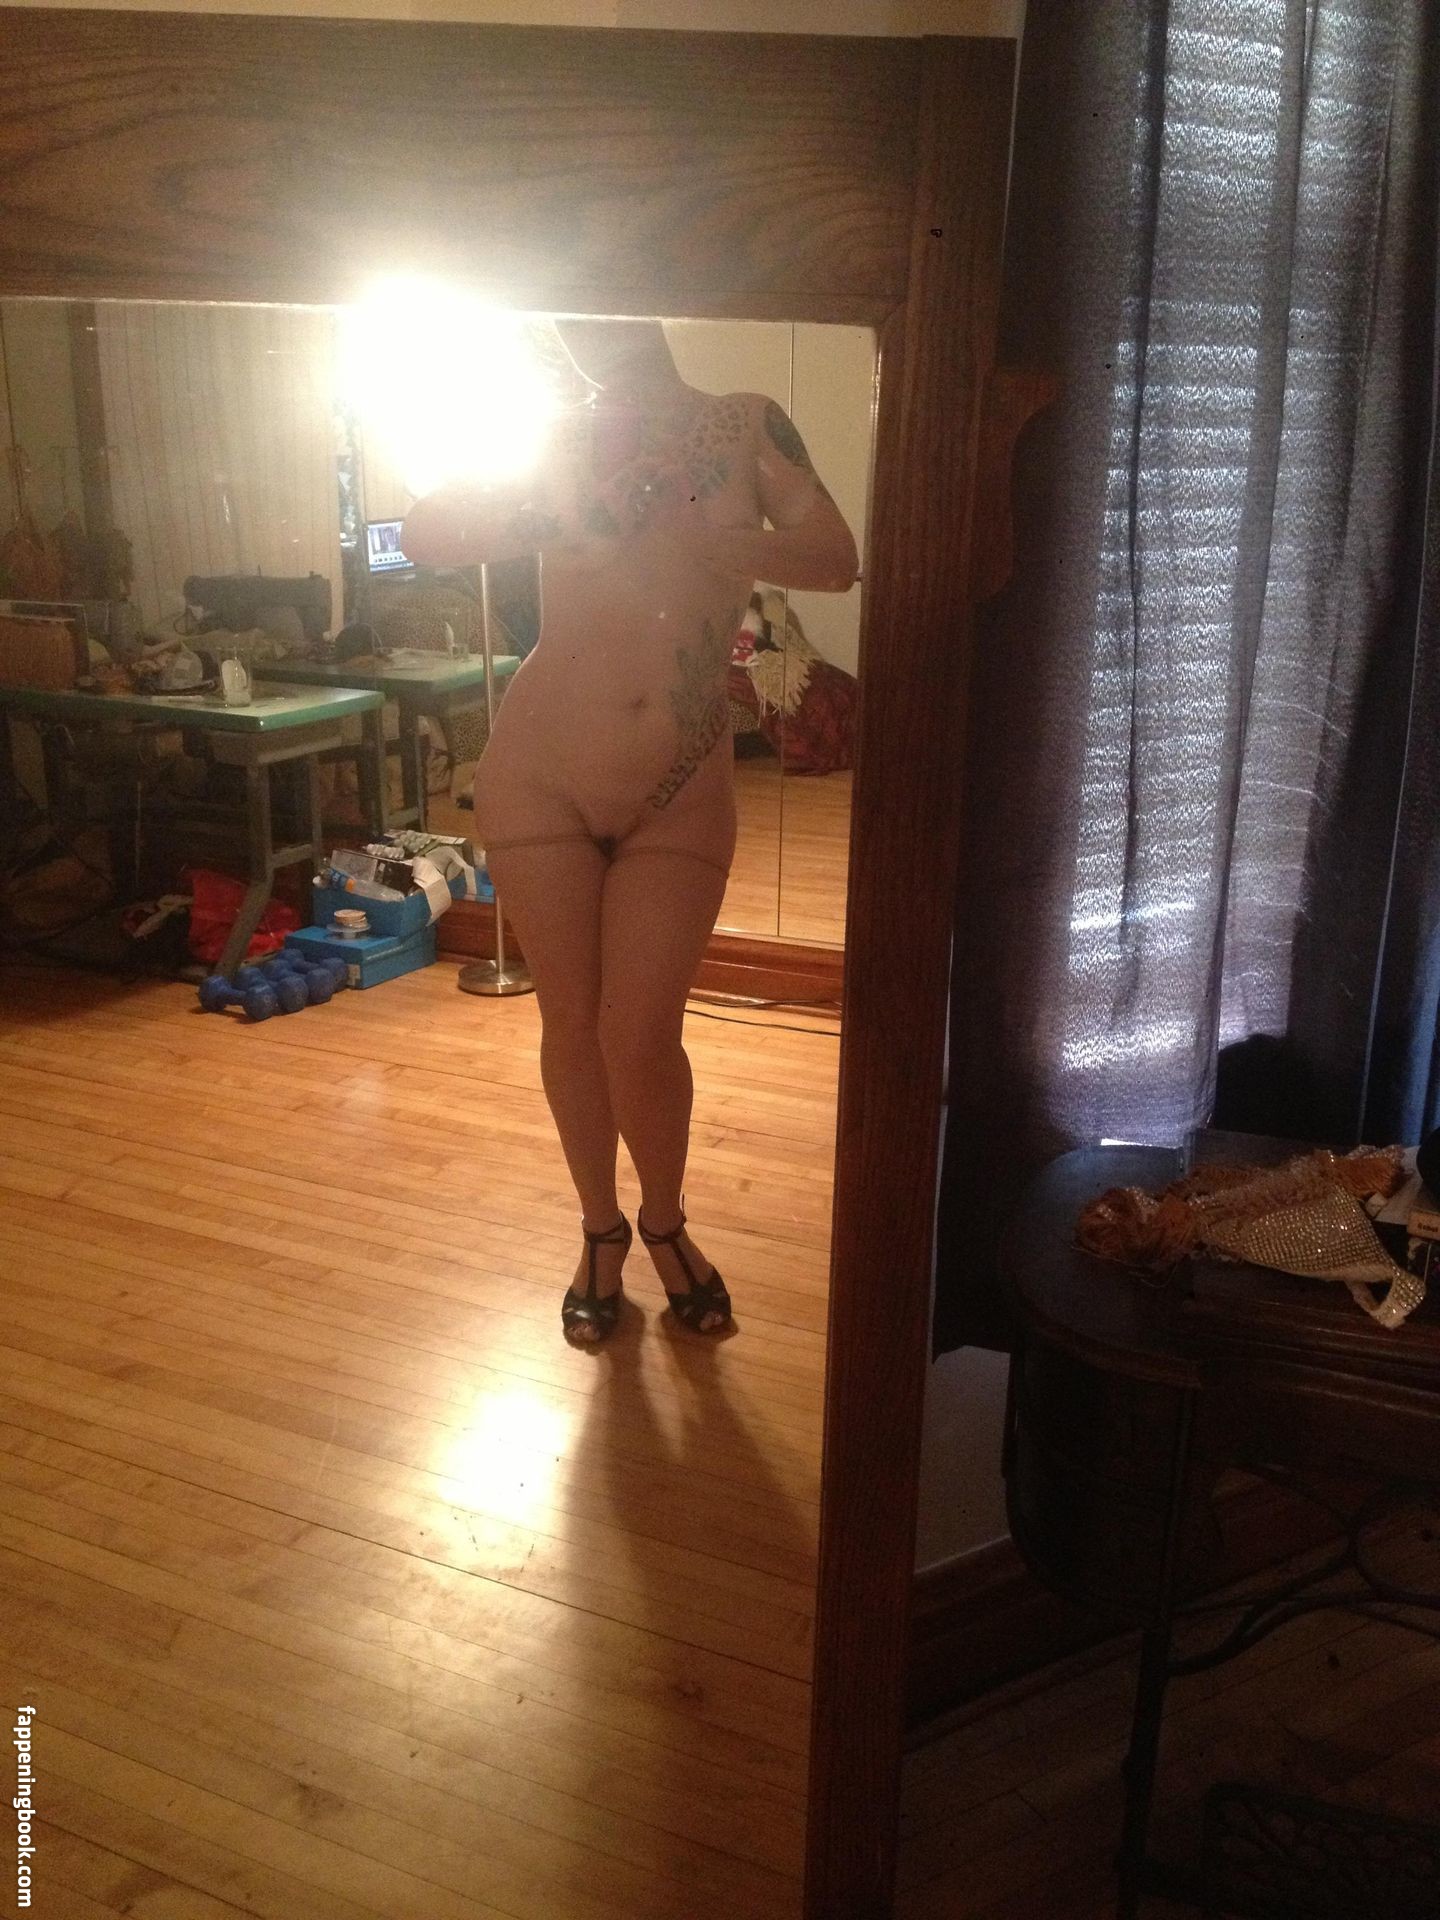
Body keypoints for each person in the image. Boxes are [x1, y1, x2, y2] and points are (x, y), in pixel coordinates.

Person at [403, 318, 858, 1343]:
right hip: (540, 776)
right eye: (573, 308)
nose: (588, 327)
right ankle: (600, 1230)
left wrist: (714, 540)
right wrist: (560, 505)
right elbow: (428, 533)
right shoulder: (553, 440)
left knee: (641, 1030)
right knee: (570, 1021)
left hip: (679, 786)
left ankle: (664, 1221)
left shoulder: (745, 424)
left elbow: (837, 556)